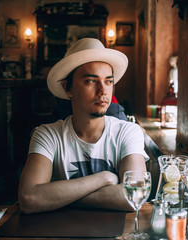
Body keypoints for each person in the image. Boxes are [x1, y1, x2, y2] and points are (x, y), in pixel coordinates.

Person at [18, 38, 149, 214]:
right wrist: (104, 178)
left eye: (108, 81)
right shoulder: (47, 135)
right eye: (90, 81)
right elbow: (29, 199)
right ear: (67, 88)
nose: (103, 91)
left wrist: (57, 198)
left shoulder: (128, 132)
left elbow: (135, 194)